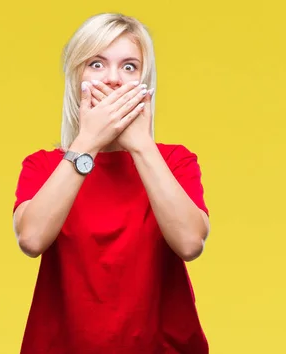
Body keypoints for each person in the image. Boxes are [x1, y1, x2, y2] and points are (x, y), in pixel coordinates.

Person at [11, 13, 211, 353]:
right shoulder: (43, 166)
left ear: (145, 81)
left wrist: (142, 145)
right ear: (77, 77)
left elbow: (191, 243)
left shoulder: (176, 161)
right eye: (97, 64)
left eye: (129, 67)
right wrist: (86, 142)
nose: (115, 79)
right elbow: (31, 239)